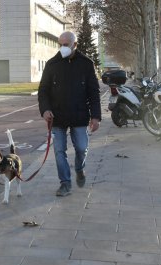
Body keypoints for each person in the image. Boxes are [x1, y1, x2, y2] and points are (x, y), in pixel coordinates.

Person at [38, 31, 101, 197]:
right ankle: (65, 183)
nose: (62, 48)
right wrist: (45, 110)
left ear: (75, 44)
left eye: (66, 44)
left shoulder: (86, 64)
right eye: (60, 44)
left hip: (79, 116)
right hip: (57, 117)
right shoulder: (52, 64)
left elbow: (93, 92)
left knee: (81, 148)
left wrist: (95, 116)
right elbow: (43, 90)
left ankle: (80, 168)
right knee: (59, 151)